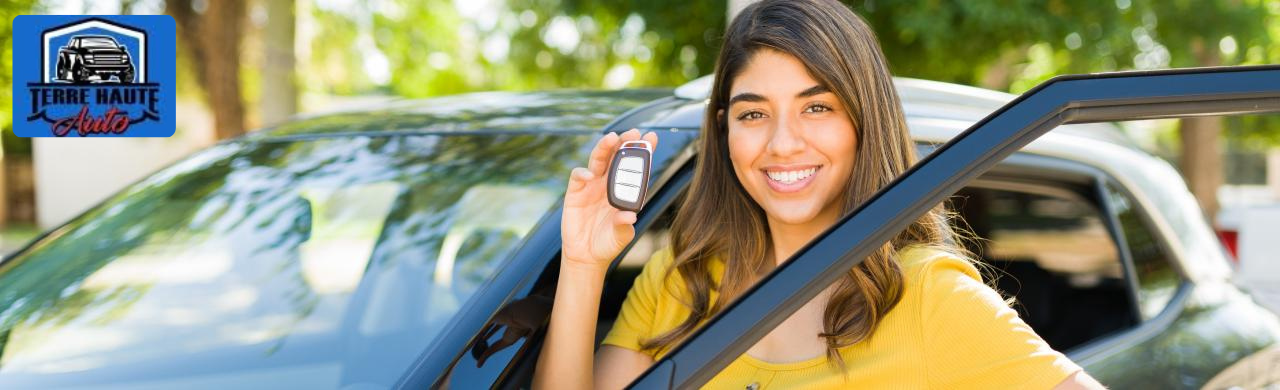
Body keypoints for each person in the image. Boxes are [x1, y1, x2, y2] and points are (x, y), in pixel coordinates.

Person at [533, 0, 1107, 388]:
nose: (783, 143)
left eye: (817, 107)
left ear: (863, 121)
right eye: (754, 113)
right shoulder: (680, 281)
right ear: (725, 128)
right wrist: (584, 263)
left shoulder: (930, 296)